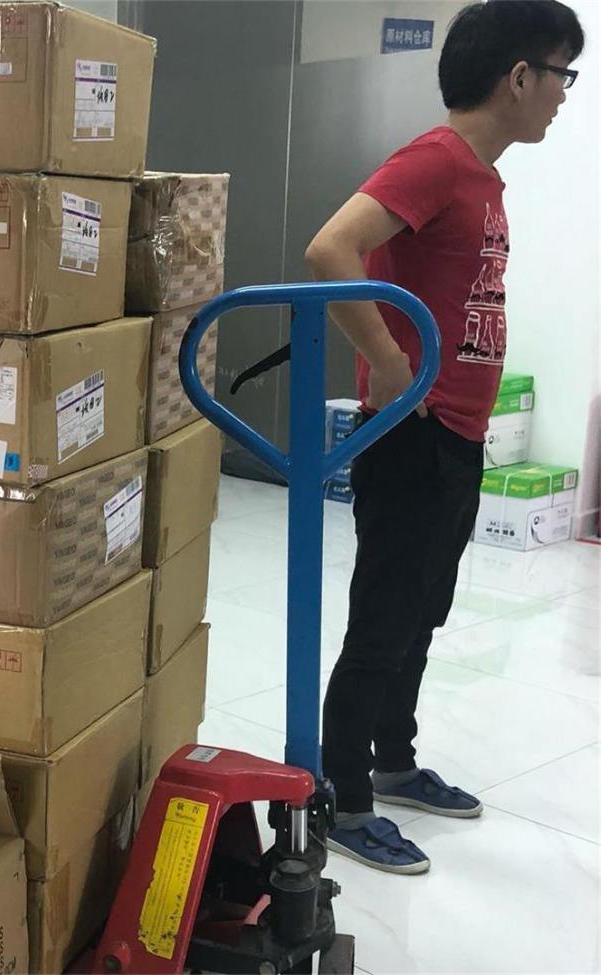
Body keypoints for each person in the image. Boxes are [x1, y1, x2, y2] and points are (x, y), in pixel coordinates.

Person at [304, 0, 584, 874]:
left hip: (457, 433)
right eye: (563, 74)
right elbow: (330, 249)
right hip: (411, 437)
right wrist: (387, 363)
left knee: (421, 614)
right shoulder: (435, 160)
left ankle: (393, 762)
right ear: (519, 77)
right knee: (383, 621)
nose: (565, 94)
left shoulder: (482, 177)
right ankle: (344, 797)